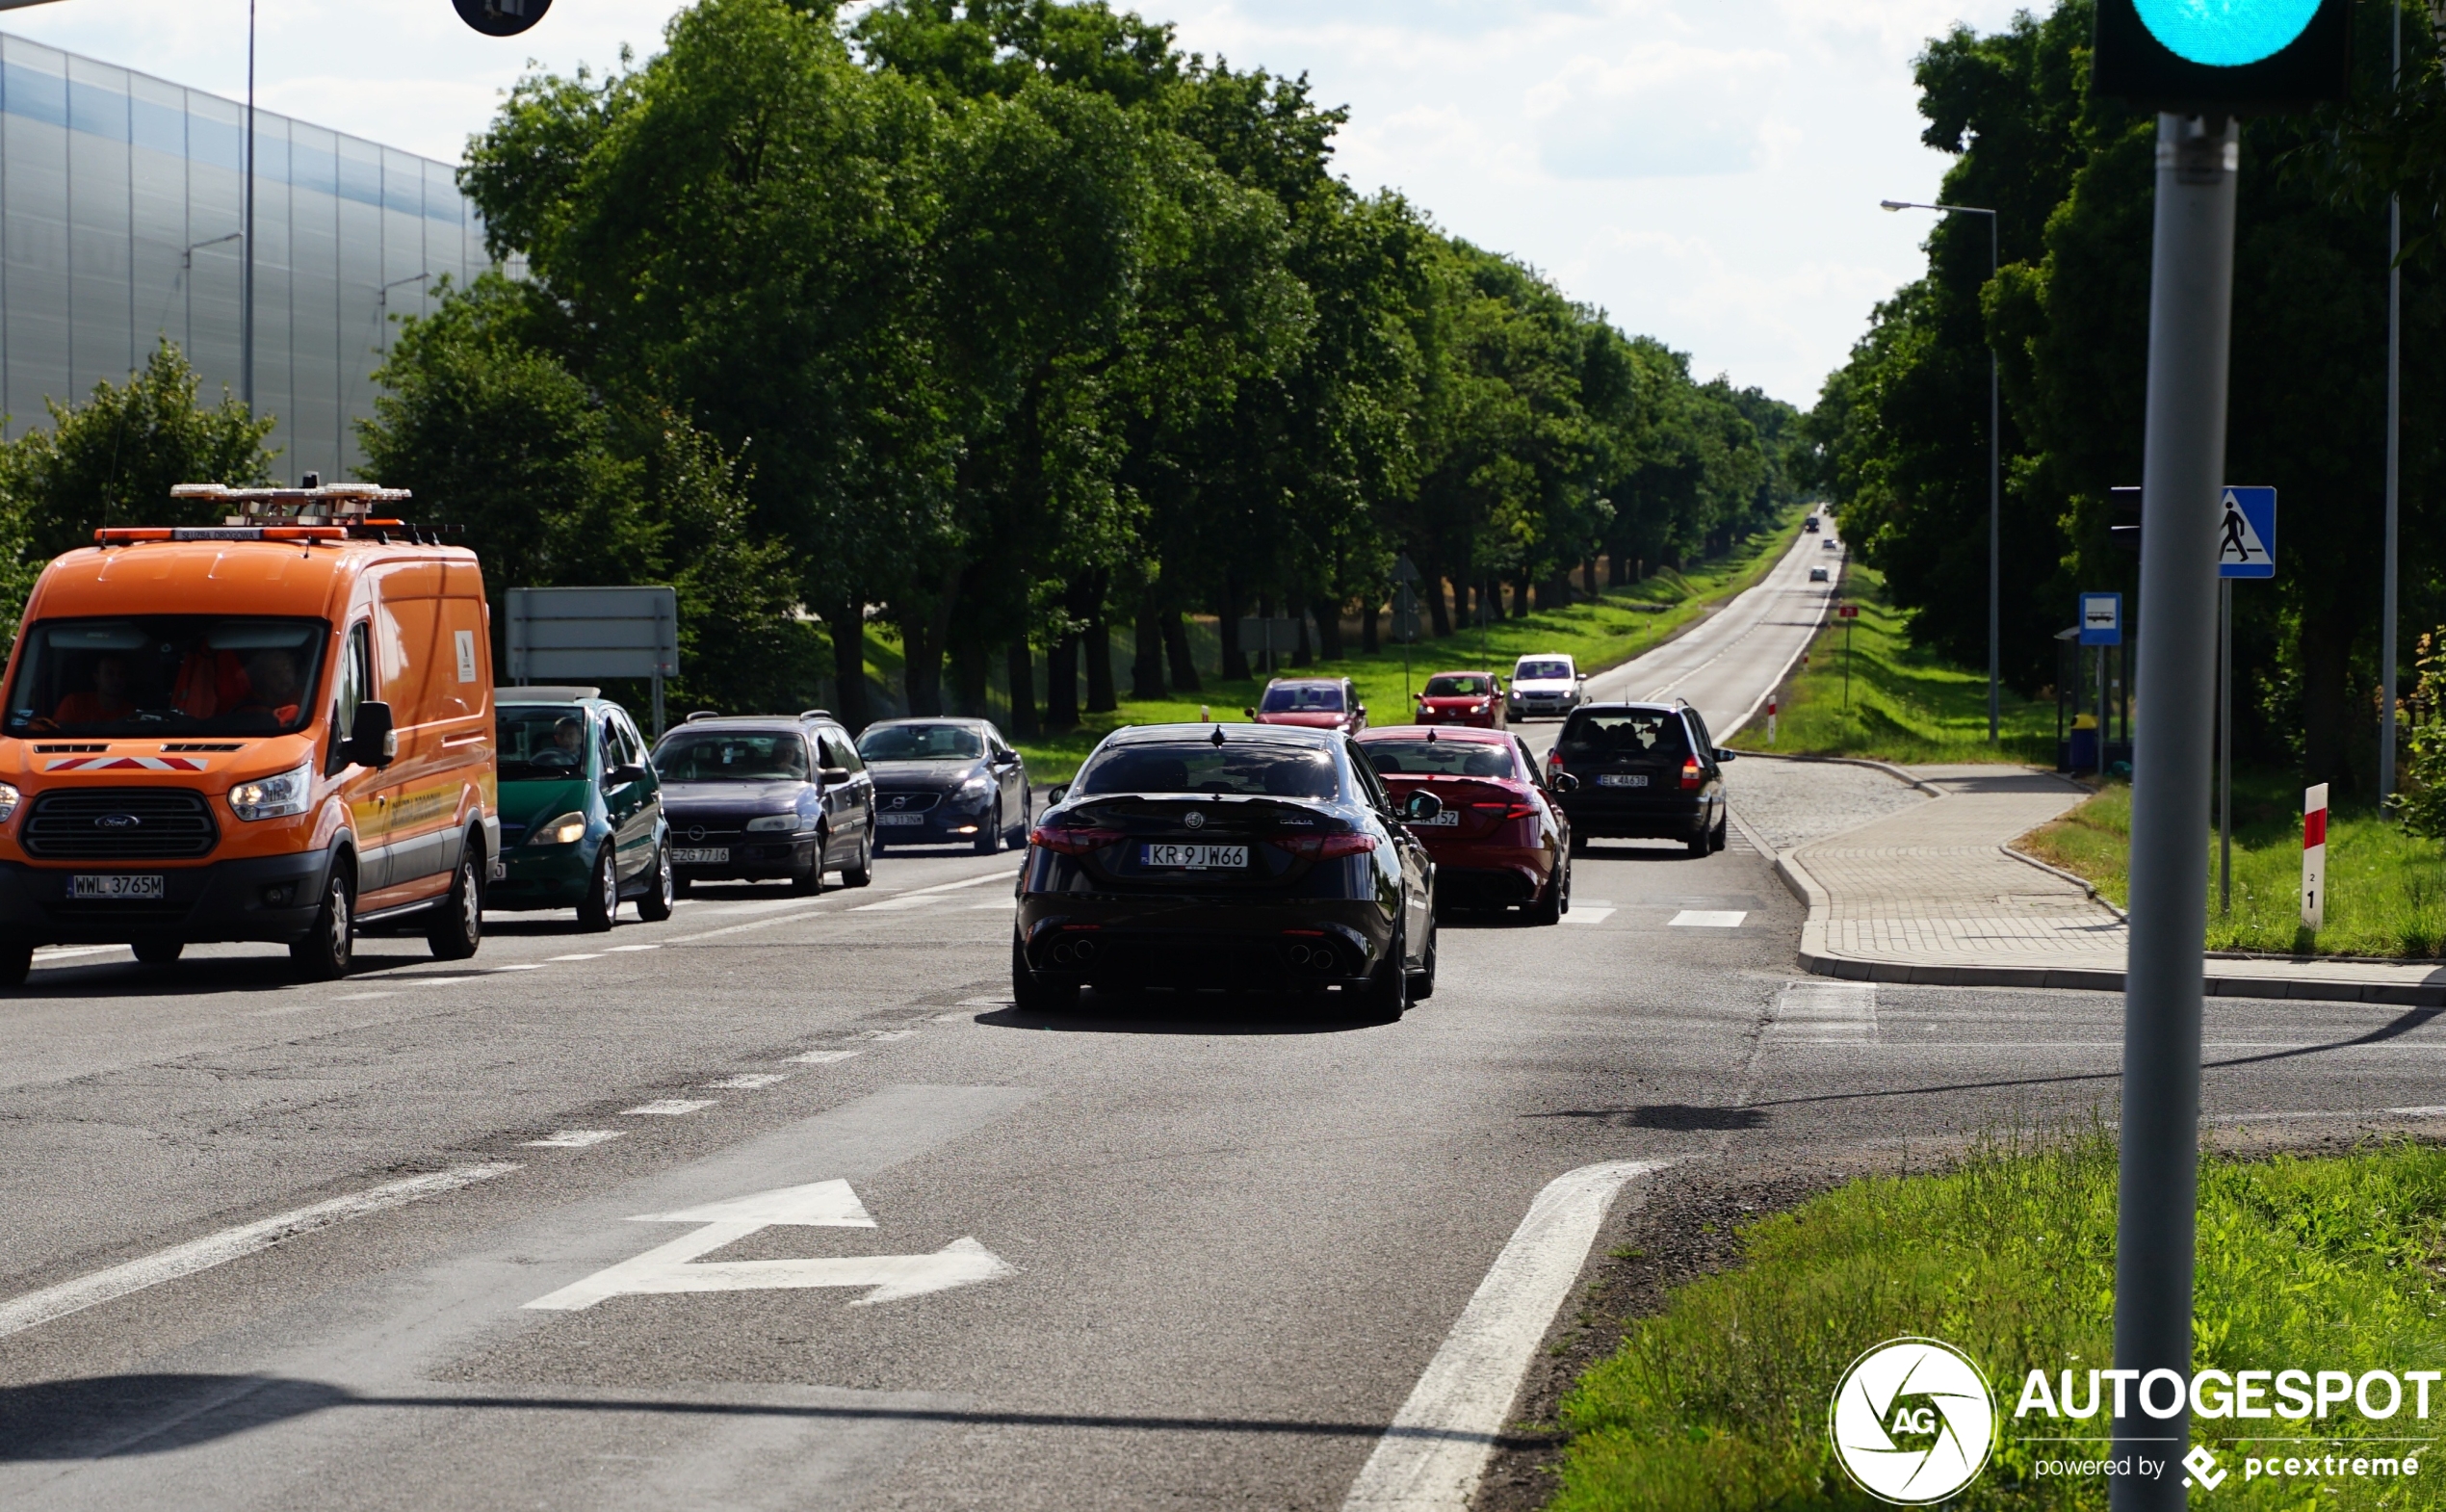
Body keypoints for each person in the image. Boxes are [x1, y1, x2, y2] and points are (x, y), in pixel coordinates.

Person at [54, 655, 135, 725]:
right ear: (96, 678)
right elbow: (57, 737)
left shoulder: (132, 713)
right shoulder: (73, 704)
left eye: (121, 674)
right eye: (109, 673)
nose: (117, 679)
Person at [233, 649, 304, 724]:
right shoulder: (251, 708)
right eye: (276, 673)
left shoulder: (306, 699)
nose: (284, 678)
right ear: (264, 677)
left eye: (287, 670)